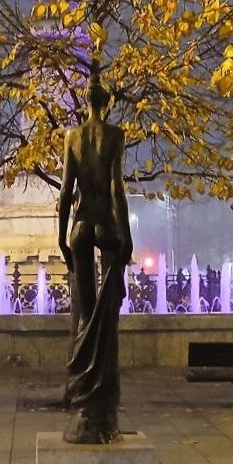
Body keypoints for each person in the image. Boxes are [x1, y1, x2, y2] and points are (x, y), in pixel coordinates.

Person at [58, 67, 132, 444]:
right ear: (109, 103)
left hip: (79, 228)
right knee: (109, 317)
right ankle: (101, 407)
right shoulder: (115, 135)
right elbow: (117, 189)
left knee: (87, 318)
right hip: (104, 226)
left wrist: (60, 237)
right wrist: (126, 237)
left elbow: (66, 192)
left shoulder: (72, 137)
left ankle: (85, 406)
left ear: (86, 103)